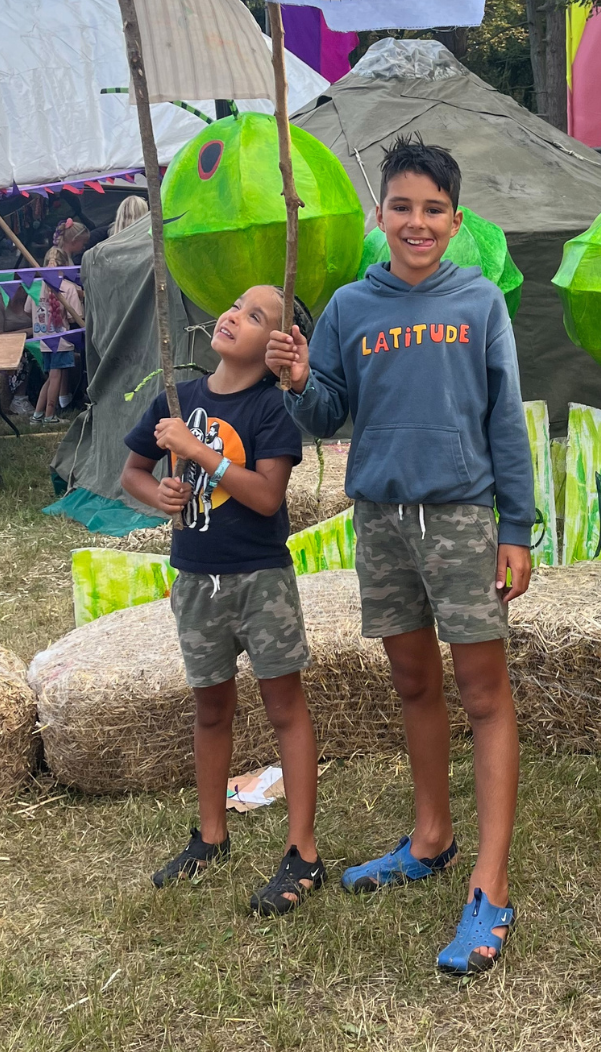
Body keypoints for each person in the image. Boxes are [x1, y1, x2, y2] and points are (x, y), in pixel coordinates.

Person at [266, 135, 535, 975]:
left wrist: (516, 528)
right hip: (379, 519)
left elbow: (505, 419)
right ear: (380, 214)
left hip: (461, 518)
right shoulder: (349, 305)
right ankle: (432, 836)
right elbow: (327, 415)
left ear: (455, 221)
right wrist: (302, 378)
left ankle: (489, 887)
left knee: (484, 694)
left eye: (433, 209)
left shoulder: (480, 301)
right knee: (413, 682)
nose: (416, 223)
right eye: (401, 207)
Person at [120, 285, 326, 917]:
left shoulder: (271, 410)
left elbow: (267, 498)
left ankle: (304, 850)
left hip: (259, 578)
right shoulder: (179, 399)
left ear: (278, 349)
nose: (235, 315)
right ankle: (210, 834)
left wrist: (197, 452)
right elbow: (132, 471)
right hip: (196, 579)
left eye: (257, 316)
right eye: (238, 306)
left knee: (284, 707)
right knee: (210, 709)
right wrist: (157, 496)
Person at [26, 247, 83, 424]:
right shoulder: (68, 288)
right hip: (61, 339)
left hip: (43, 339)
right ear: (66, 265)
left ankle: (37, 415)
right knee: (56, 377)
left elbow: (27, 310)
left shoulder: (36, 287)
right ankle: (50, 415)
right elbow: (77, 316)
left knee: (51, 377)